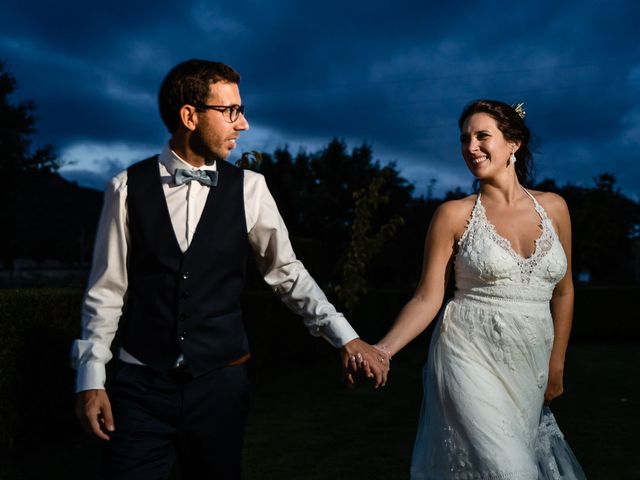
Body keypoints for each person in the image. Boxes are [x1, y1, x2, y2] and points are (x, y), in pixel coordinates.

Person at [70, 59, 388, 480]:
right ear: (190, 115)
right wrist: (90, 377)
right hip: (141, 387)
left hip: (219, 386)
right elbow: (106, 290)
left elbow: (287, 273)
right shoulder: (125, 187)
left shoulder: (251, 188)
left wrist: (345, 337)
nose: (244, 124)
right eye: (231, 111)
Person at [367, 100, 586, 478]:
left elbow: (564, 293)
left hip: (529, 364)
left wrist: (557, 365)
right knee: (510, 470)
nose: (470, 147)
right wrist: (383, 350)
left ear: (513, 142)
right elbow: (427, 296)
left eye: (482, 136)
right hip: (466, 355)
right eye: (464, 138)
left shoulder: (555, 208)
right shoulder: (453, 215)